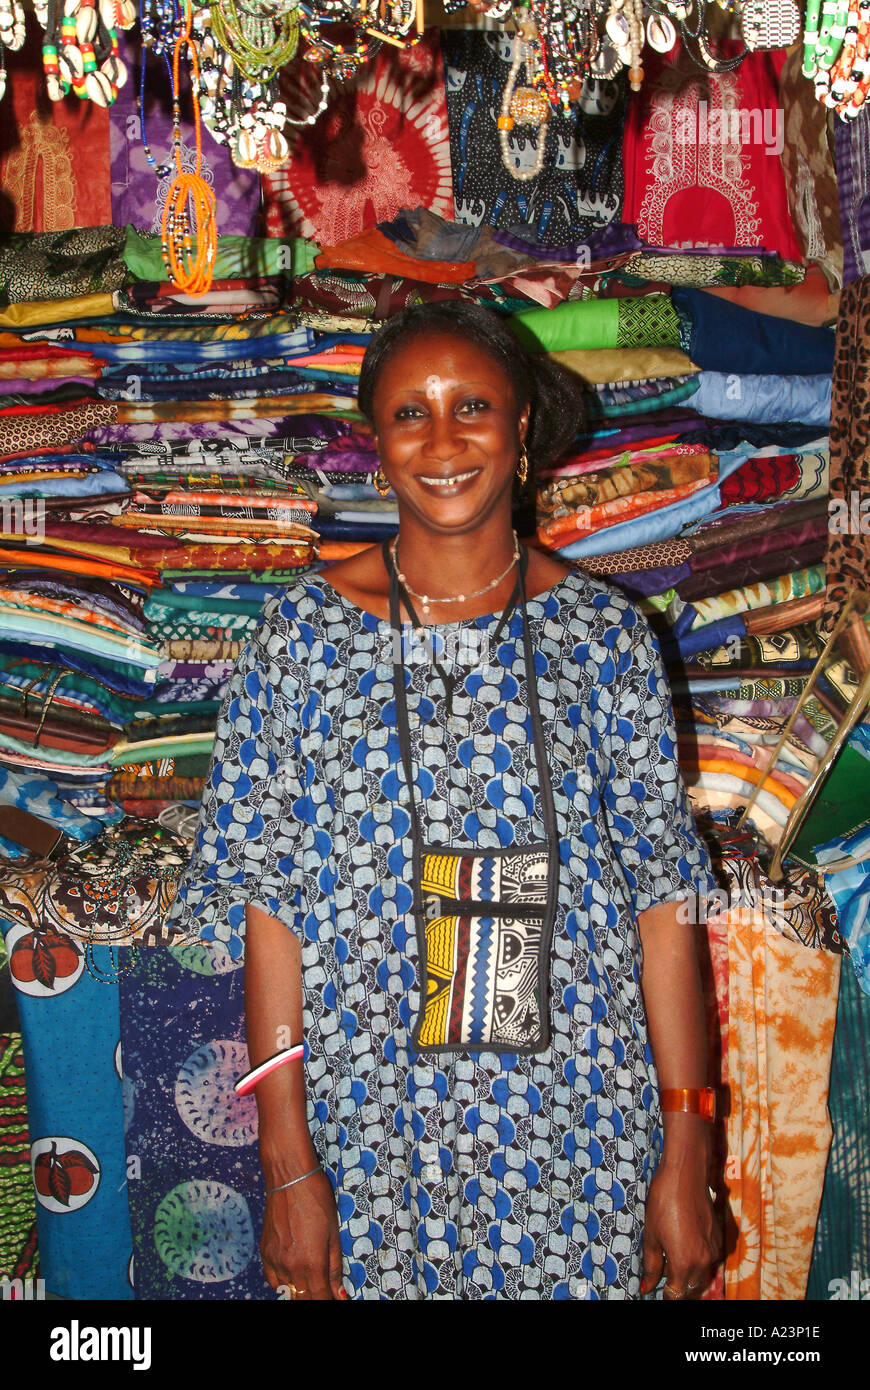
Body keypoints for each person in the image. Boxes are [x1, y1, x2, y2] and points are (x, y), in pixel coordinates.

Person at [167, 301, 721, 1301]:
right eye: (408, 414)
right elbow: (270, 915)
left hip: (578, 1134)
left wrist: (688, 1139)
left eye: (472, 406)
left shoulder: (605, 638)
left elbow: (665, 905)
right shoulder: (301, 641)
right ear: (377, 445)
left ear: (520, 434)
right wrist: (288, 1163)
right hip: (376, 1139)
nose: (442, 439)